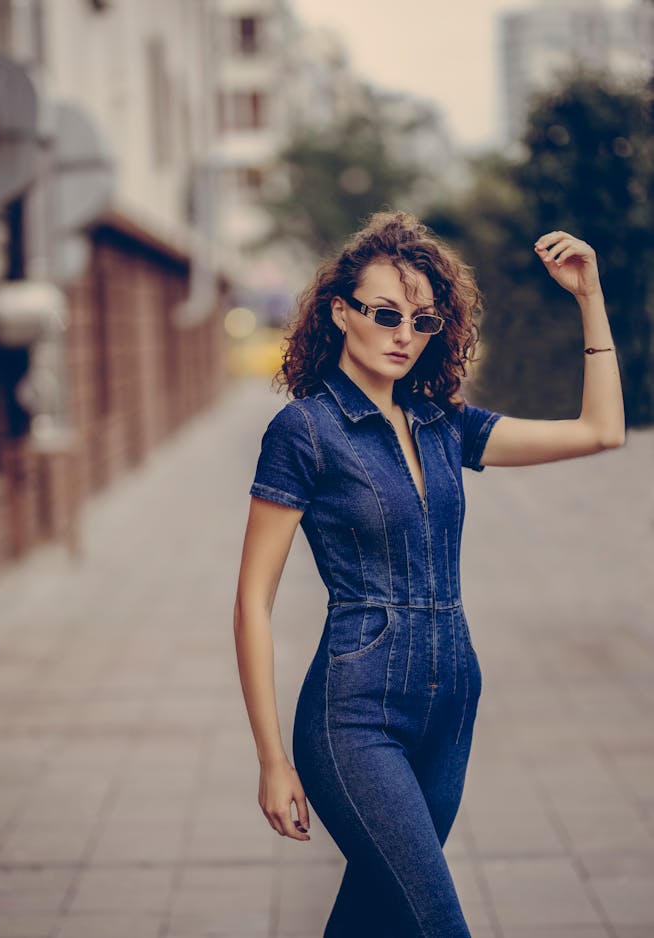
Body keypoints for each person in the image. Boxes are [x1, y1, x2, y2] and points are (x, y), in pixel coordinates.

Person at [233, 211, 625, 937]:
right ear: (340, 312)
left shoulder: (445, 423)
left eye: (423, 320)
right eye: (385, 314)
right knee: (438, 924)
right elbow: (253, 602)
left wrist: (589, 298)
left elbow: (600, 431)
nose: (403, 335)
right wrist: (271, 760)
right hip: (355, 715)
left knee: (376, 915)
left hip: (451, 703)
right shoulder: (305, 432)